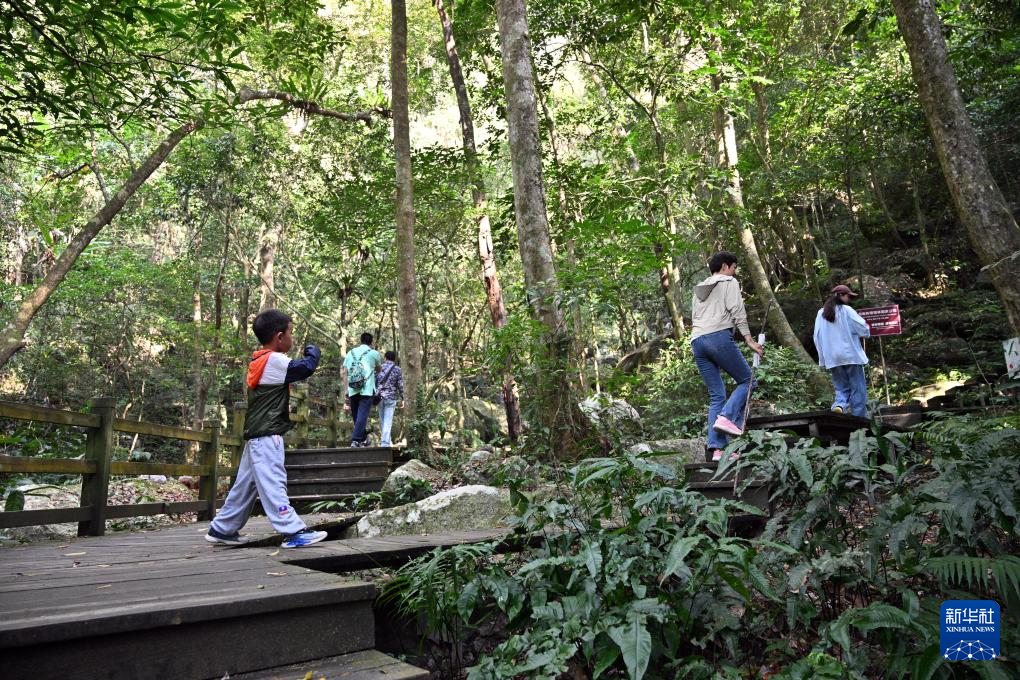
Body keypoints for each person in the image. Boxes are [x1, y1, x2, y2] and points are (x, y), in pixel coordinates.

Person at [206, 309, 327, 549]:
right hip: (267, 434)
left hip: (257, 435)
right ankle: (293, 532)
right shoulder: (273, 360)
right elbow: (305, 368)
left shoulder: (259, 360)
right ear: (279, 336)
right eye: (291, 333)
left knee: (244, 486)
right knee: (274, 482)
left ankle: (222, 528)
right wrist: (313, 351)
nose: (292, 338)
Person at [691, 251, 764, 461]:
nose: (734, 272)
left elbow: (695, 318)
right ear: (725, 266)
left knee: (717, 395)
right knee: (748, 381)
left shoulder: (698, 290)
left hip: (697, 341)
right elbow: (737, 311)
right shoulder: (729, 282)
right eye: (734, 268)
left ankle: (718, 450)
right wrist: (749, 340)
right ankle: (726, 417)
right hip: (718, 338)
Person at [813, 284, 871, 417]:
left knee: (841, 387)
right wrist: (866, 331)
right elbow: (862, 327)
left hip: (833, 358)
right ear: (840, 295)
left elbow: (817, 336)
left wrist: (823, 357)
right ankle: (859, 417)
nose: (849, 299)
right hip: (851, 356)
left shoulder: (820, 313)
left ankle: (839, 405)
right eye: (848, 296)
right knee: (858, 388)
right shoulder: (846, 310)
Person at [341, 332, 382, 447]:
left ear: (361, 340)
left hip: (353, 388)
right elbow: (379, 370)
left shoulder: (350, 353)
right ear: (371, 342)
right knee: (362, 415)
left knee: (356, 415)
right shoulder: (374, 353)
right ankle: (355, 439)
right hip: (367, 389)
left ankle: (362, 438)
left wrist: (346, 389)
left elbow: (345, 372)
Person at [375, 350, 405, 447]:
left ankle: (386, 442)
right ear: (394, 359)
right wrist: (403, 398)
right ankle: (385, 443)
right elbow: (400, 385)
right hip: (391, 398)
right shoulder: (397, 369)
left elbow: (374, 382)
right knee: (387, 420)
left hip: (379, 397)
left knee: (383, 420)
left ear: (385, 358)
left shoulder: (379, 368)